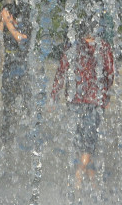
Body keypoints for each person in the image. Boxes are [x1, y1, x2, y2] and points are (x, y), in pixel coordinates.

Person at [49, 19, 115, 189]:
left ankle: (90, 180)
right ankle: (81, 173)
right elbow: (109, 73)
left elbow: (62, 70)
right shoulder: (104, 47)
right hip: (95, 100)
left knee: (81, 140)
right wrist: (106, 95)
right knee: (89, 140)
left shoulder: (73, 46)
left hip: (75, 99)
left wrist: (54, 95)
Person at [0, 0, 30, 144]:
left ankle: (25, 134)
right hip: (8, 70)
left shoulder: (24, 25)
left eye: (5, 15)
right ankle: (7, 135)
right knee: (7, 103)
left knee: (23, 104)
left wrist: (9, 24)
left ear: (12, 15)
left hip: (21, 70)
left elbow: (21, 40)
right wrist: (1, 24)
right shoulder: (6, 28)